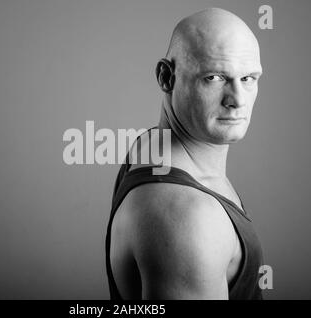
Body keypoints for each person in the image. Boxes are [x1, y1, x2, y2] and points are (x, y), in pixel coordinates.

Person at [105, 8, 264, 299]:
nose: (237, 100)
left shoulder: (151, 147)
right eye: (214, 77)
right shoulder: (187, 219)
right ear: (167, 77)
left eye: (249, 78)